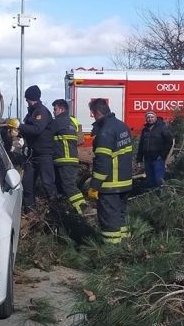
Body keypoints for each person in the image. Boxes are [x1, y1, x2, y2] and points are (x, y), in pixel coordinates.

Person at [86, 98, 133, 244]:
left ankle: (111, 253)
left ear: (98, 112)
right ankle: (125, 248)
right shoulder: (122, 126)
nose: (93, 116)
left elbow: (103, 163)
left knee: (109, 223)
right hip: (125, 183)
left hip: (110, 185)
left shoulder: (105, 132)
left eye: (93, 114)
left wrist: (94, 185)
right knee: (121, 219)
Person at [8, 85, 57, 212]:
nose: (26, 102)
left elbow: (37, 129)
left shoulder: (42, 112)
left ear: (32, 98)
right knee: (27, 185)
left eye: (27, 99)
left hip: (44, 154)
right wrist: (18, 134)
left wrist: (20, 125)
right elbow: (28, 131)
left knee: (48, 184)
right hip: (31, 155)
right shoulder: (31, 113)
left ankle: (56, 211)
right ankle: (30, 213)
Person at [47, 99, 90, 215]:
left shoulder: (59, 121)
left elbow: (45, 133)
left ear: (61, 109)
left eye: (55, 109)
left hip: (64, 158)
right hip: (70, 158)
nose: (53, 112)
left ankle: (83, 207)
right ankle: (66, 209)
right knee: (62, 185)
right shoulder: (72, 121)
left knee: (68, 185)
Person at [136, 110, 173, 188]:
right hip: (147, 160)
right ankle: (151, 197)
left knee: (159, 181)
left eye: (152, 117)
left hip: (158, 159)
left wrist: (163, 156)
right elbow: (141, 145)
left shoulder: (162, 128)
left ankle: (160, 197)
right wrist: (139, 159)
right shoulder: (144, 130)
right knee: (150, 181)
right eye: (148, 117)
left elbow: (169, 142)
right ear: (146, 119)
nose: (150, 119)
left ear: (155, 117)